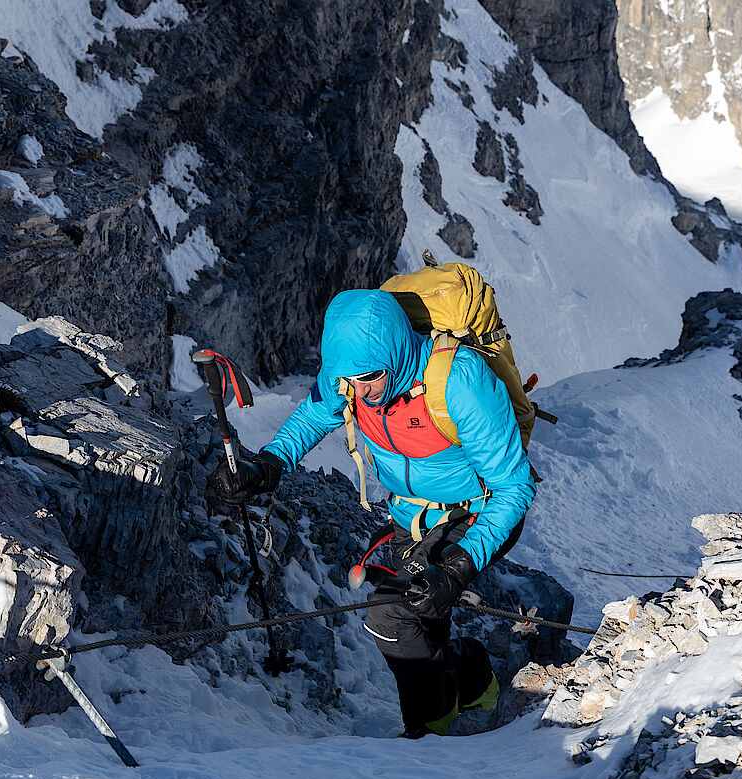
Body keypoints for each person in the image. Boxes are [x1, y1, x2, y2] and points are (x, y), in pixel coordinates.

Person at [210, 288, 535, 738]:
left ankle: (429, 735)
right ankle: (476, 679)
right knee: (420, 611)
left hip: (477, 513)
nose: (359, 393)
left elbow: (515, 488)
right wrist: (266, 465)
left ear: (396, 353)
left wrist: (459, 566)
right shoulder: (352, 376)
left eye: (370, 379)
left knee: (389, 613)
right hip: (410, 516)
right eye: (350, 383)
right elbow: (313, 416)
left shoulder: (459, 381)